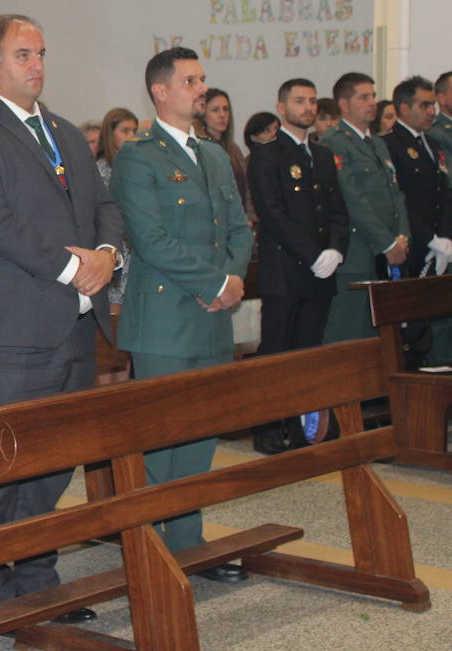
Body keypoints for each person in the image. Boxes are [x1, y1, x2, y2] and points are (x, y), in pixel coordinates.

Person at [0, 14, 122, 617]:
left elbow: (104, 204)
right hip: (5, 329)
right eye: (23, 55)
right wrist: (74, 268)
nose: (36, 65)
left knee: (55, 460)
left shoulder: (62, 130)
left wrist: (106, 255)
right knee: (0, 463)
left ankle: (38, 575)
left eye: (40, 53)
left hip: (71, 324)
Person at [110, 46, 252, 576]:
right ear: (161, 91)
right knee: (159, 440)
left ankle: (188, 545)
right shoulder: (139, 156)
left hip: (212, 316)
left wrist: (230, 283)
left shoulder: (212, 154)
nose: (201, 89)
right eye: (190, 81)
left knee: (199, 435)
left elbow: (238, 228)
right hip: (165, 320)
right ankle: (149, 549)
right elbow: (150, 240)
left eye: (202, 79)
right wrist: (216, 283)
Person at [246, 78, 349, 454]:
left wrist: (336, 249)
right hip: (285, 272)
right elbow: (272, 213)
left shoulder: (320, 154)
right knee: (278, 351)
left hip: (321, 272)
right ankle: (269, 427)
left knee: (309, 352)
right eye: (299, 101)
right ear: (281, 108)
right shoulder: (267, 154)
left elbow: (337, 209)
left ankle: (303, 425)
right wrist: (312, 254)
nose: (307, 108)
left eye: (312, 101)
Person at [319, 72, 411, 343]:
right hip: (358, 253)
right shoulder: (335, 142)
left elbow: (395, 194)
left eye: (373, 96)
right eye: (363, 97)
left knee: (383, 337)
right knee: (351, 334)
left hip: (387, 252)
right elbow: (353, 199)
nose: (372, 102)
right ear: (344, 105)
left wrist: (402, 237)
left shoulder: (377, 143)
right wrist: (386, 243)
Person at [383, 76, 452, 275]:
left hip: (441, 245)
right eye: (424, 106)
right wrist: (430, 239)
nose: (432, 111)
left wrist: (444, 237)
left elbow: (444, 191)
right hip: (411, 243)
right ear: (405, 108)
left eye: (432, 105)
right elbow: (398, 200)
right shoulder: (389, 145)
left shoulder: (432, 144)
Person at [96, 107, 138, 315]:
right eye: (125, 130)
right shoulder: (101, 169)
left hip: (135, 247)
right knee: (116, 312)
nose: (132, 136)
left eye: (134, 131)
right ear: (110, 134)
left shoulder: (136, 167)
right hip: (114, 247)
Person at [199, 88, 251, 220]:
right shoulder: (199, 148)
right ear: (203, 115)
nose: (222, 115)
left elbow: (247, 187)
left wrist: (248, 218)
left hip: (240, 220)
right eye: (215, 110)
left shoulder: (233, 149)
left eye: (226, 109)